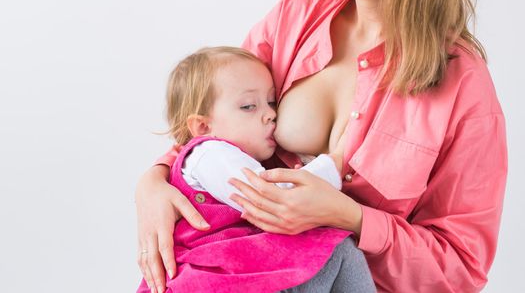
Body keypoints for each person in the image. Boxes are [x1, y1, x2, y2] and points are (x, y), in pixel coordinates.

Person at [135, 0, 507, 292]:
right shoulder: (294, 17)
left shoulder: (463, 84)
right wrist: (155, 179)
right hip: (238, 274)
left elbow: (461, 268)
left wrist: (352, 217)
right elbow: (215, 119)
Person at [137, 46, 375, 292]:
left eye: (271, 102)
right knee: (337, 250)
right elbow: (273, 198)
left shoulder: (223, 158)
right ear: (203, 126)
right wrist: (336, 160)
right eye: (249, 106)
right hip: (214, 279)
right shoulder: (210, 154)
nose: (270, 115)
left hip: (238, 269)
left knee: (337, 249)